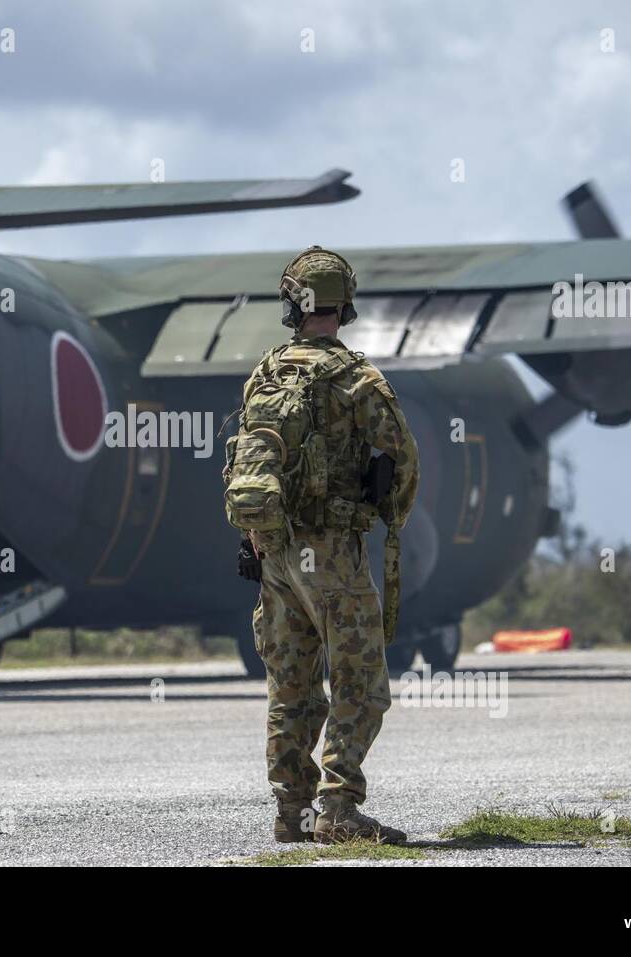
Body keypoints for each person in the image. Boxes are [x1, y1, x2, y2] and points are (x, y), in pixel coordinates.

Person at [225, 246, 419, 845]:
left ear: (292, 302)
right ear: (344, 305)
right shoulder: (356, 378)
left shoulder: (266, 372)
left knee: (292, 686)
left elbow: (245, 455)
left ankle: (292, 812)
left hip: (273, 549)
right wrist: (387, 513)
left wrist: (261, 536)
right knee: (361, 683)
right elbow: (403, 456)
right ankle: (337, 807)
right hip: (332, 551)